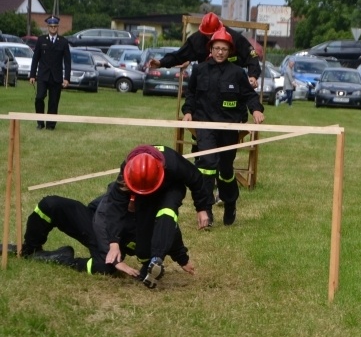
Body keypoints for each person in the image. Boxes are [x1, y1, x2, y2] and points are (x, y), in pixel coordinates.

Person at [9, 187, 196, 284]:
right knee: (50, 204)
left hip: (113, 247)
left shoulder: (157, 218)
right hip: (95, 225)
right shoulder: (116, 197)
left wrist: (182, 259)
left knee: (105, 268)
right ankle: (30, 249)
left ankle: (63, 259)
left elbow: (172, 234)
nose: (129, 203)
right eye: (127, 198)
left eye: (135, 200)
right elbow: (96, 213)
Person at [182, 29, 265, 226]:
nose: (220, 52)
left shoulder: (237, 73)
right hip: (205, 126)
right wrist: (188, 112)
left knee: (225, 170)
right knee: (207, 165)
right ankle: (206, 211)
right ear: (210, 49)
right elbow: (191, 94)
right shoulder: (200, 70)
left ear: (230, 51)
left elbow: (249, 95)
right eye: (217, 48)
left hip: (228, 128)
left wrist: (256, 110)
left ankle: (230, 202)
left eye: (224, 49)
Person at [103, 144, 213, 288]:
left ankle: (157, 260)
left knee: (166, 215)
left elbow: (196, 178)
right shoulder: (127, 171)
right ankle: (149, 266)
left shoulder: (173, 163)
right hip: (143, 190)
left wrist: (202, 208)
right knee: (143, 234)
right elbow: (114, 208)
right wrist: (114, 243)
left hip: (171, 187)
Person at [146, 12, 261, 87]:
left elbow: (252, 56)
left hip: (230, 81)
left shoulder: (235, 38)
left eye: (212, 34)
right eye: (207, 35)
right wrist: (161, 62)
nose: (210, 38)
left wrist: (253, 76)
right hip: (207, 82)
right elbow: (179, 55)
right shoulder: (197, 39)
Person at [29, 16, 71, 130]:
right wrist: (32, 75)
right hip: (43, 75)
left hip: (56, 77)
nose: (53, 28)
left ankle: (50, 125)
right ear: (48, 27)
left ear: (57, 27)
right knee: (39, 98)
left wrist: (66, 78)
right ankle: (40, 122)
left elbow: (67, 62)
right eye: (51, 26)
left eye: (55, 26)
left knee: (53, 102)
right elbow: (35, 58)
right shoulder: (41, 40)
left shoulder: (63, 42)